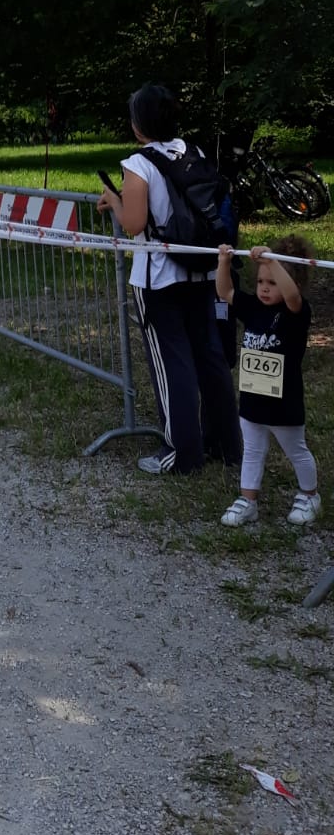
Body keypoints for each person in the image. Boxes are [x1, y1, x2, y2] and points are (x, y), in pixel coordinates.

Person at [96, 83, 240, 477]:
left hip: (158, 276)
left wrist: (114, 198)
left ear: (138, 124)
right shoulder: (194, 153)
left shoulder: (137, 165)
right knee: (209, 356)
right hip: (202, 268)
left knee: (171, 363)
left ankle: (181, 452)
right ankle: (226, 445)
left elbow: (134, 224)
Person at [215, 239, 322, 527]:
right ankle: (248, 500)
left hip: (284, 401)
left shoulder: (295, 312)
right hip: (252, 396)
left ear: (290, 282)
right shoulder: (252, 307)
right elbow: (225, 291)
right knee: (252, 450)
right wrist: (223, 262)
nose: (264, 287)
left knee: (296, 450)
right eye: (261, 281)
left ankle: (309, 495)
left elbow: (293, 297)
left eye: (272, 282)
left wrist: (272, 260)